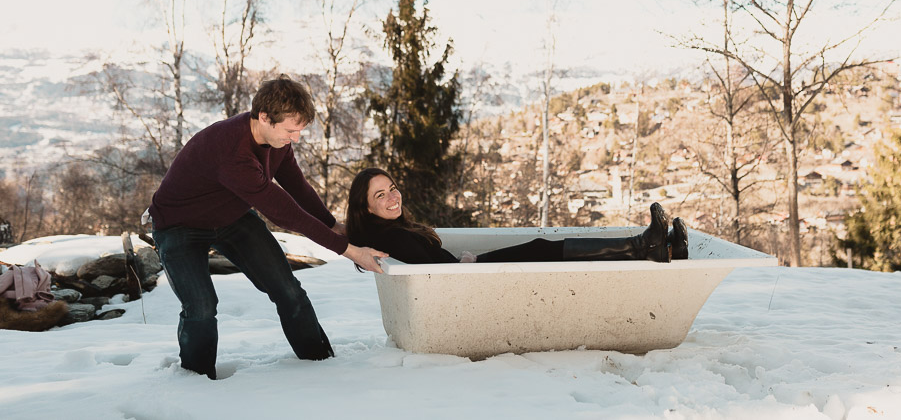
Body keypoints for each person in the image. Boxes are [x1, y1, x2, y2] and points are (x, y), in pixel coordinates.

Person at [148, 76, 387, 379]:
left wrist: (332, 225)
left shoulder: (276, 141)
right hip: (178, 226)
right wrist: (350, 251)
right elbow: (285, 212)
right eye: (291, 130)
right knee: (202, 307)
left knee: (288, 290)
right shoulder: (232, 152)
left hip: (231, 218)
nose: (296, 138)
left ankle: (322, 366)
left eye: (300, 129)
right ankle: (196, 381)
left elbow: (297, 188)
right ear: (264, 118)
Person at [345, 167, 688, 266]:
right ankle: (644, 246)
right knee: (543, 248)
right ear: (366, 208)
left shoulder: (392, 228)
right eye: (380, 195)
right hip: (464, 283)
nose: (393, 197)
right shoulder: (388, 237)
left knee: (542, 245)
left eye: (392, 188)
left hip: (465, 273)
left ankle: (660, 248)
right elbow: (428, 276)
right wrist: (465, 265)